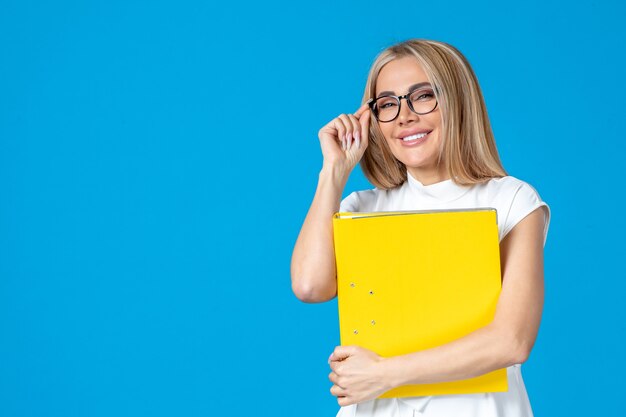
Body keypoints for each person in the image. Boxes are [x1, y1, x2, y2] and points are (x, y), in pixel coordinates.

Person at [290, 39, 550, 417]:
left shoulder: (512, 201)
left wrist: (384, 374)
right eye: (388, 104)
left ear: (457, 103)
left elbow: (511, 341)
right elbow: (310, 286)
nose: (404, 116)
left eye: (423, 96)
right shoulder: (361, 208)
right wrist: (333, 172)